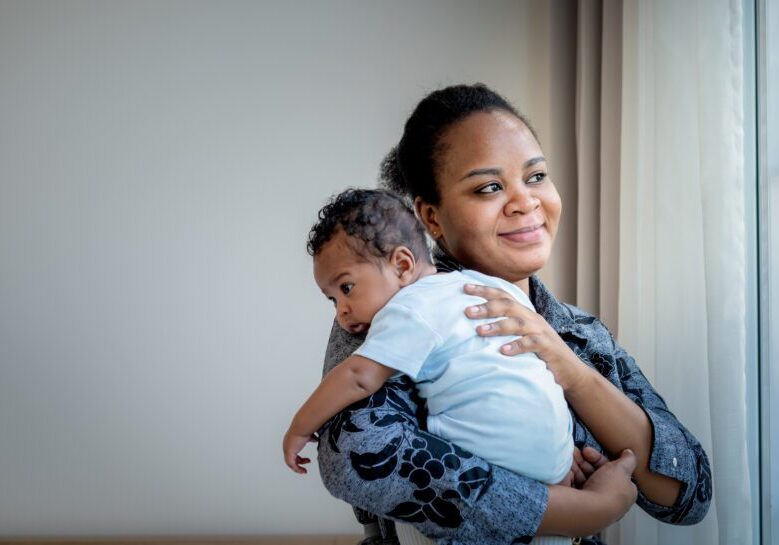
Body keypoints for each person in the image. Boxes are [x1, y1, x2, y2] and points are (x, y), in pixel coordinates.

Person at [315, 84, 712, 545]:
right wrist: (582, 509)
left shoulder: (581, 333)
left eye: (537, 176)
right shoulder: (393, 313)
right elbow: (356, 457)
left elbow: (689, 492)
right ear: (431, 217)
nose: (525, 201)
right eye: (489, 187)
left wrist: (574, 375)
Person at [284, 189, 636, 543]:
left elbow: (359, 377)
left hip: (496, 459)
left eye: (346, 288)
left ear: (402, 265)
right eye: (332, 299)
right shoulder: (490, 288)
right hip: (557, 453)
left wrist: (300, 427)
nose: (341, 311)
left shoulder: (406, 309)